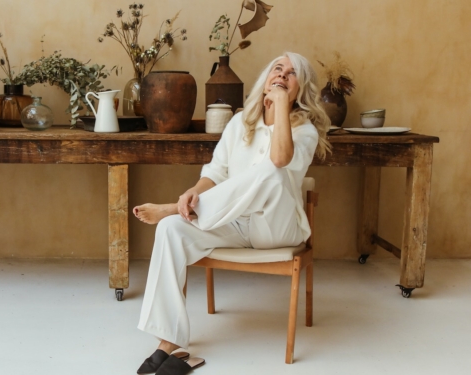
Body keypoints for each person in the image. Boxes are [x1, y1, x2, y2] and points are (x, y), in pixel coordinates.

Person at [132, 52, 331, 374]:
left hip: (276, 229)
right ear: (266, 77)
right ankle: (169, 342)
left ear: (301, 88)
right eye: (277, 68)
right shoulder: (240, 123)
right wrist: (194, 192)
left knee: (272, 172)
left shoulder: (304, 130)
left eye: (291, 74)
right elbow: (217, 172)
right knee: (170, 229)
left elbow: (279, 162)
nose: (281, 75)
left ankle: (174, 208)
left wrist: (281, 106)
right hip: (233, 222)